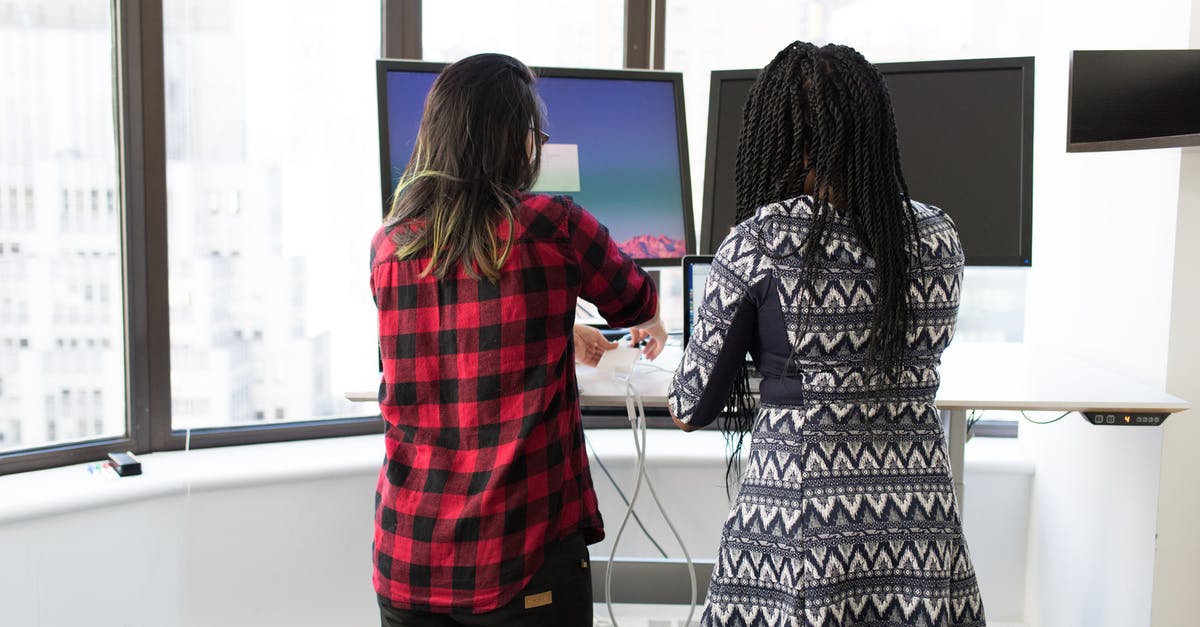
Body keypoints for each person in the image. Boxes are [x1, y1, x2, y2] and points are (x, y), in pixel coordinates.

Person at [667, 42, 986, 626]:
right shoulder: (938, 235)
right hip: (919, 523)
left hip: (801, 526)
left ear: (783, 136)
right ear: (875, 129)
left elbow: (691, 406)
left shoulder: (761, 241)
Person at [370, 52, 667, 626]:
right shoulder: (552, 225)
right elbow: (635, 302)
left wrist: (558, 321)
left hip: (407, 560)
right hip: (517, 562)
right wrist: (637, 320)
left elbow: (446, 334)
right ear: (521, 142)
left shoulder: (389, 246)